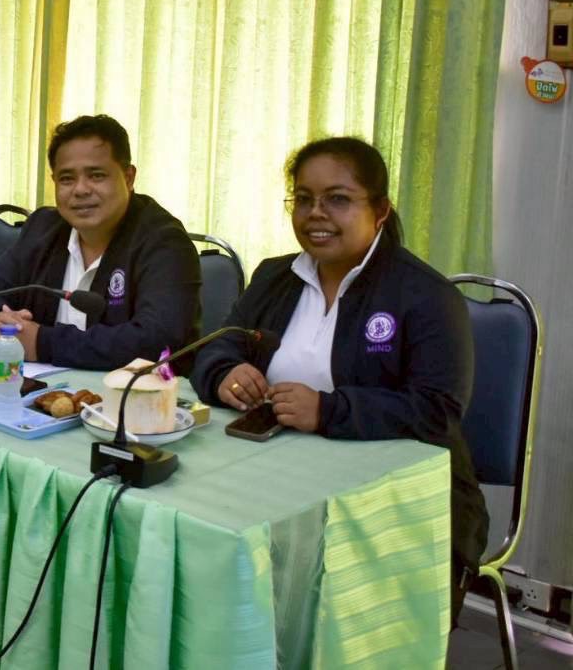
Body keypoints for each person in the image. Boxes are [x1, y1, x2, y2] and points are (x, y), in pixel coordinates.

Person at [189, 136, 488, 623]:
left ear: (381, 210)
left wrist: (327, 410)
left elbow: (438, 410)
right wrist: (225, 373)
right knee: (204, 552)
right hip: (273, 482)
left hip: (392, 501)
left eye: (338, 199)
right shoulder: (275, 277)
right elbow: (218, 346)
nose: (316, 214)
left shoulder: (425, 295)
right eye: (304, 199)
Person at [0, 114, 201, 371]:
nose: (80, 190)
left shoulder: (165, 243)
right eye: (67, 179)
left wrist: (43, 343)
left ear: (129, 178)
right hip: (45, 387)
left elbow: (156, 340)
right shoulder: (44, 227)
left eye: (96, 175)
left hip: (134, 392)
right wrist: (1, 324)